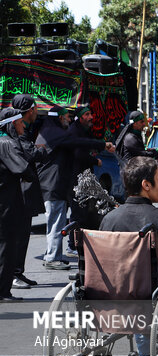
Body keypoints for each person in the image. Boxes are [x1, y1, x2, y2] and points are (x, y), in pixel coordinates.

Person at [100, 156, 158, 356]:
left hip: (110, 299)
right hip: (150, 302)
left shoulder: (108, 221)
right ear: (146, 185)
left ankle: (145, 351)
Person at [36, 105, 114, 270]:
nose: (70, 120)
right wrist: (102, 145)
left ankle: (51, 254)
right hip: (53, 184)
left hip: (52, 183)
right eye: (67, 117)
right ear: (59, 117)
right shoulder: (56, 134)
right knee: (56, 222)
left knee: (56, 221)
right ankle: (52, 257)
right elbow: (77, 142)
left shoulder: (49, 131)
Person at [10, 95, 45, 289]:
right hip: (19, 192)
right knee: (16, 235)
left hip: (25, 191)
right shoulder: (18, 131)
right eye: (35, 108)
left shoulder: (24, 129)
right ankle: (13, 274)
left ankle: (18, 272)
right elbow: (30, 153)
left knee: (23, 235)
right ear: (29, 110)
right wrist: (41, 150)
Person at [0, 108, 35, 300]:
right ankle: (3, 291)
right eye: (21, 122)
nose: (24, 126)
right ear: (14, 123)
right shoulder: (6, 143)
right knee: (7, 246)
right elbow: (24, 169)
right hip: (6, 205)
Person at [66, 106, 102, 257]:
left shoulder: (83, 130)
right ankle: (72, 245)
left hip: (85, 178)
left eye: (91, 113)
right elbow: (79, 154)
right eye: (87, 114)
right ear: (80, 117)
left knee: (86, 212)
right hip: (76, 179)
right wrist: (95, 161)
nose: (91, 117)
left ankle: (82, 243)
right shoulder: (74, 131)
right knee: (78, 212)